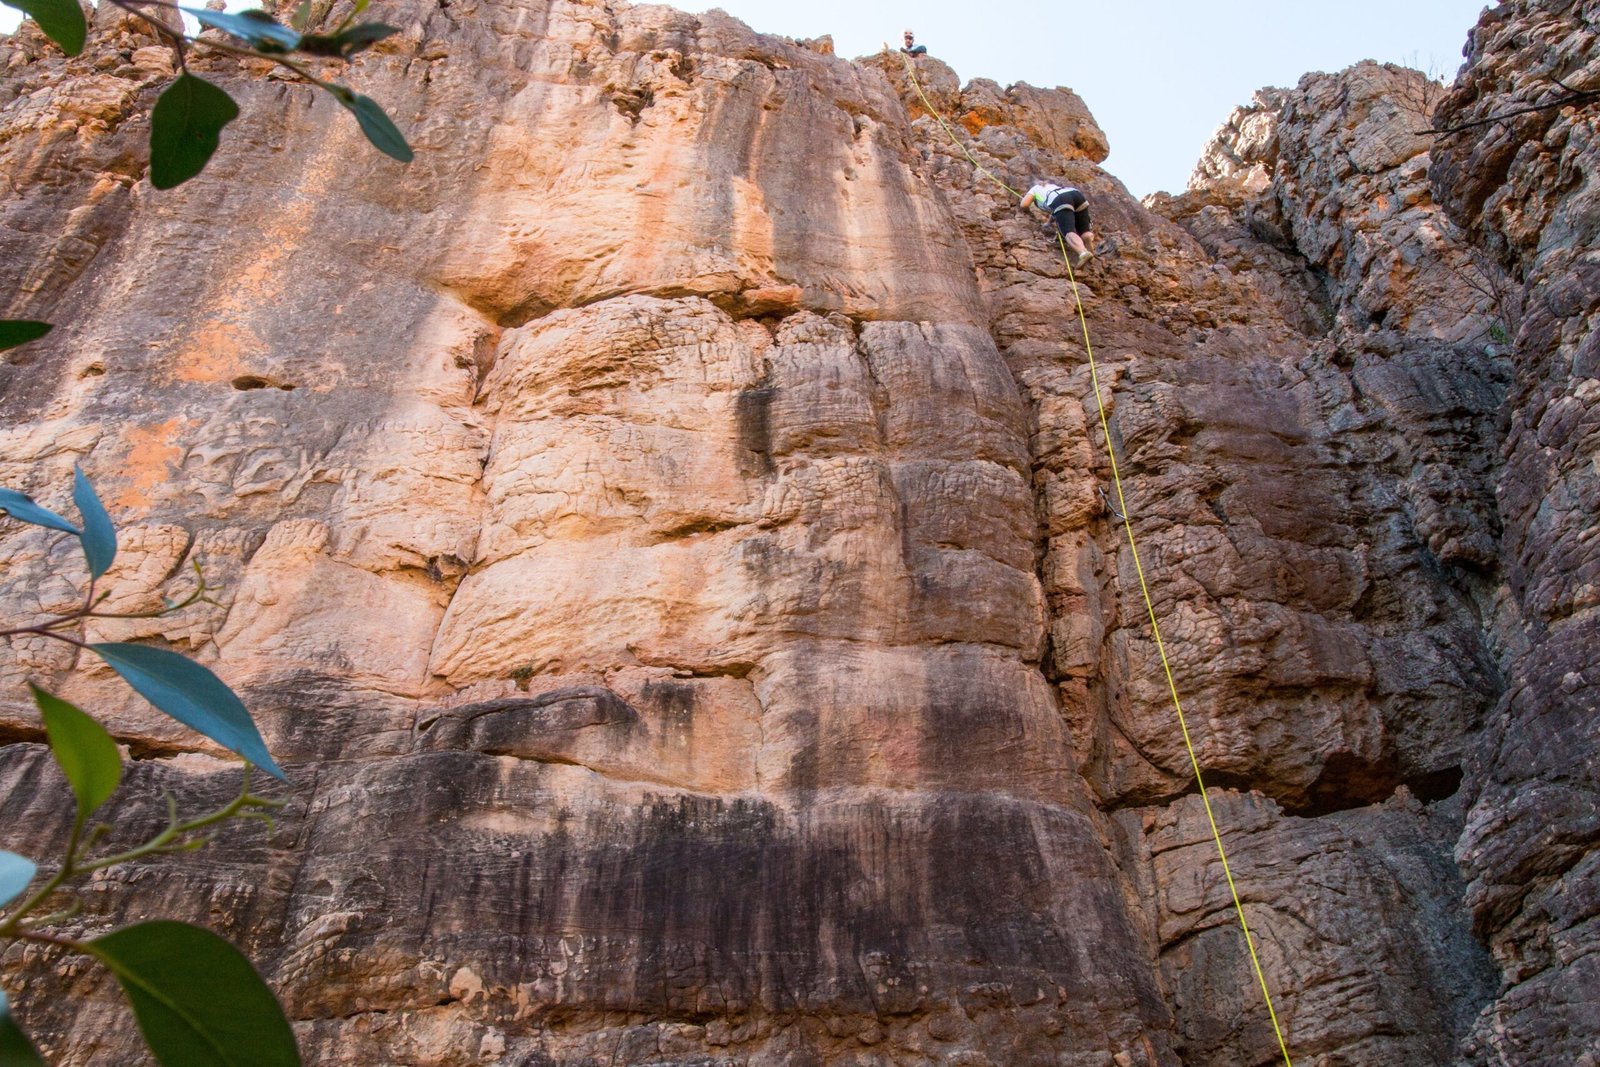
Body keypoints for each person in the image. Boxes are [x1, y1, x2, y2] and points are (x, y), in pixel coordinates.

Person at [1021, 181, 1095, 267]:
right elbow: (1057, 212)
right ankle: (1088, 239)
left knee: (1068, 232)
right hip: (1076, 195)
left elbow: (1024, 204)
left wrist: (1027, 211)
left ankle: (1083, 252)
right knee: (1084, 231)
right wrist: (1048, 223)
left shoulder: (1035, 188)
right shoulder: (1052, 186)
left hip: (1061, 199)